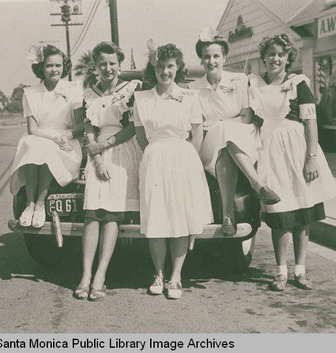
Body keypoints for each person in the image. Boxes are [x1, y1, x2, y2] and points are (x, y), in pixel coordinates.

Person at [248, 34, 336, 291]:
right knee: (280, 213)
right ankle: (281, 272)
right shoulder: (253, 84)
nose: (275, 59)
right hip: (270, 151)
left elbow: (310, 122)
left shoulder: (299, 83)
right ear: (263, 57)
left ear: (288, 58)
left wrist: (311, 159)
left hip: (298, 149)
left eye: (281, 54)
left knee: (302, 212)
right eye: (271, 54)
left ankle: (300, 270)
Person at [133, 41, 213, 300]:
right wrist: (157, 152)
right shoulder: (142, 99)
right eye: (159, 66)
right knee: (156, 219)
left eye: (170, 66)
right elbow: (140, 137)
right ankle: (158, 274)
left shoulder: (190, 96)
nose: (164, 72)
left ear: (177, 67)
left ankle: (176, 277)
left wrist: (186, 158)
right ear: (153, 68)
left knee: (180, 218)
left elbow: (197, 135)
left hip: (183, 158)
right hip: (155, 157)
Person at [191, 28, 280, 236]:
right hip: (209, 143)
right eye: (206, 57)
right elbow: (197, 123)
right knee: (223, 132)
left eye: (216, 56)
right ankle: (258, 185)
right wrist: (222, 123)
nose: (211, 61)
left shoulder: (238, 80)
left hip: (242, 138)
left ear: (224, 58)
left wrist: (216, 123)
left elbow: (246, 117)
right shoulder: (194, 88)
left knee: (225, 142)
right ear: (201, 60)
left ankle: (228, 217)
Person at [74, 41, 142, 301]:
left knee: (111, 213)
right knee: (92, 213)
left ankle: (100, 276)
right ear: (95, 66)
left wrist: (105, 145)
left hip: (123, 148)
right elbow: (89, 126)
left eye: (112, 63)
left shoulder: (131, 89)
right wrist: (97, 156)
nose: (107, 68)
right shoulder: (90, 93)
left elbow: (133, 128)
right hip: (97, 153)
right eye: (102, 63)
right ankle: (85, 275)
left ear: (119, 64)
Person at [9, 45, 83, 228]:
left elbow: (80, 125)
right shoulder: (31, 94)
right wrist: (51, 138)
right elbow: (32, 129)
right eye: (49, 65)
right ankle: (30, 203)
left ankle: (40, 203)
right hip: (40, 135)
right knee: (33, 145)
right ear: (41, 67)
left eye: (58, 65)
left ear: (64, 67)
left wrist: (67, 136)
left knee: (46, 149)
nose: (54, 70)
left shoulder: (73, 89)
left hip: (66, 138)